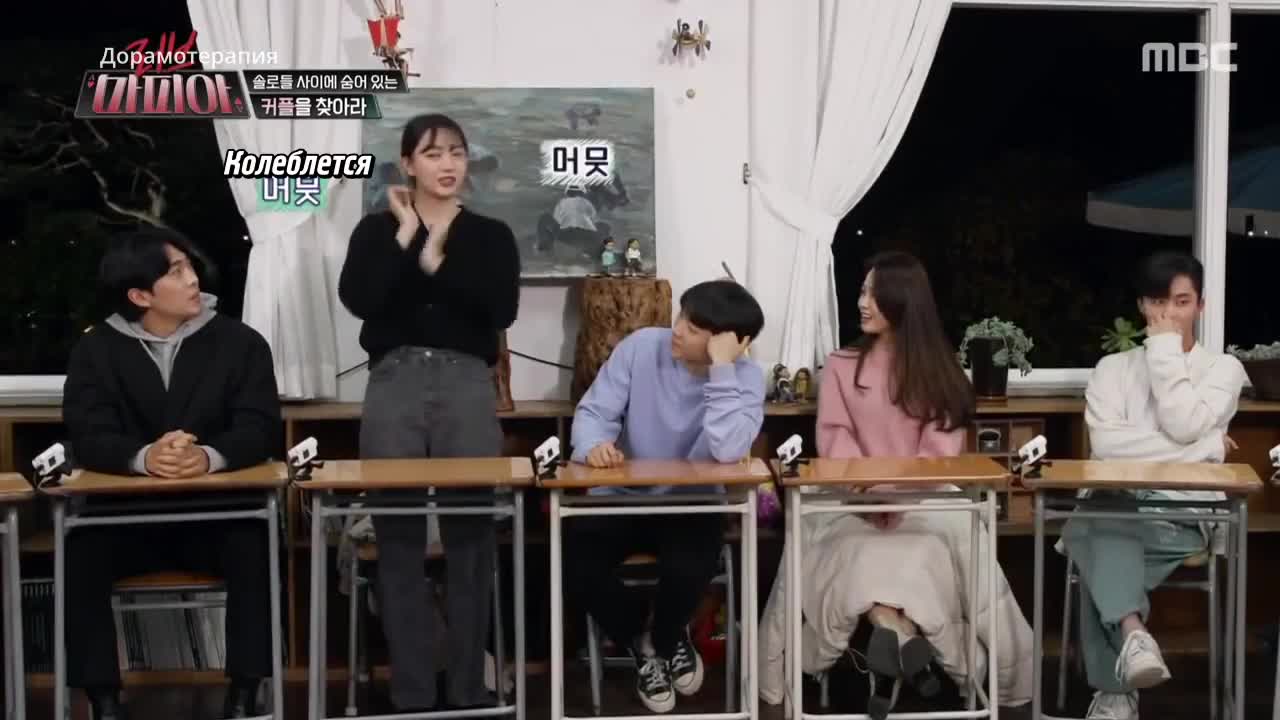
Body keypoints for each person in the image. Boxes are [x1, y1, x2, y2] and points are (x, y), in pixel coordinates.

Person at [759, 251, 1034, 720]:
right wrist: (866, 487)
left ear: (903, 300)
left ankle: (893, 638)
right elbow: (834, 436)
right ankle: (902, 636)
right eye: (862, 291)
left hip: (925, 494)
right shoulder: (840, 365)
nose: (862, 302)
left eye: (873, 293)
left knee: (945, 543)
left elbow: (938, 455)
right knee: (851, 546)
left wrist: (892, 492)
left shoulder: (939, 369)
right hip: (848, 491)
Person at [337, 113, 521, 713]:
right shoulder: (376, 231)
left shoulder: (490, 235)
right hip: (394, 381)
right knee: (398, 539)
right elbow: (361, 299)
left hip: (467, 381)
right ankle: (412, 693)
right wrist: (408, 235)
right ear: (407, 163)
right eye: (433, 153)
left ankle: (467, 689)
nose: (448, 164)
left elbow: (501, 309)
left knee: (471, 539)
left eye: (457, 153)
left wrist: (439, 257)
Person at [61, 227, 282, 720]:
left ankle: (246, 692)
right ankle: (102, 699)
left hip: (217, 515)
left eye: (189, 266)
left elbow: (261, 427)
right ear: (140, 296)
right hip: (125, 520)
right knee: (79, 551)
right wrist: (144, 457)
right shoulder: (94, 351)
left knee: (256, 542)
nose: (193, 279)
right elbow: (87, 433)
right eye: (176, 272)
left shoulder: (241, 343)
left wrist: (207, 456)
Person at [565, 279, 765, 714]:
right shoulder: (642, 347)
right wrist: (594, 445)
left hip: (692, 504)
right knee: (575, 557)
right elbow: (594, 411)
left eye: (693, 328)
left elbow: (728, 449)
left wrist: (722, 370)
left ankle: (666, 638)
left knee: (689, 562)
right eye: (681, 317)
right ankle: (647, 642)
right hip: (622, 497)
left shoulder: (747, 378)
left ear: (727, 342)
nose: (677, 330)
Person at [1061, 251, 1245, 720]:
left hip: (1182, 513)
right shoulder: (1111, 369)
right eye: (1158, 303)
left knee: (1089, 532)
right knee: (1105, 516)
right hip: (1114, 501)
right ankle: (1133, 635)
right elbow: (1107, 447)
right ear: (1142, 305)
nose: (1169, 315)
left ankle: (1116, 694)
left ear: (1200, 305)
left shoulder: (1223, 370)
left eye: (1181, 302)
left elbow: (1183, 423)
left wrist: (1163, 350)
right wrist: (1207, 448)